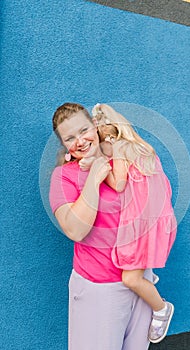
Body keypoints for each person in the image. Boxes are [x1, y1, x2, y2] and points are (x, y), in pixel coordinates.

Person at [49, 102, 161, 350]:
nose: (80, 141)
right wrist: (95, 177)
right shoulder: (63, 177)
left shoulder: (121, 161)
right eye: (70, 138)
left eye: (83, 130)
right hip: (99, 290)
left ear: (95, 127)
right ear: (64, 145)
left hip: (138, 279)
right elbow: (76, 230)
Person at [79, 103, 177, 344]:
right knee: (136, 272)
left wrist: (97, 168)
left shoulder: (120, 149)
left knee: (129, 279)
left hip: (139, 225)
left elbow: (120, 184)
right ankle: (149, 290)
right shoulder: (141, 148)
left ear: (105, 132)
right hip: (152, 223)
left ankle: (161, 308)